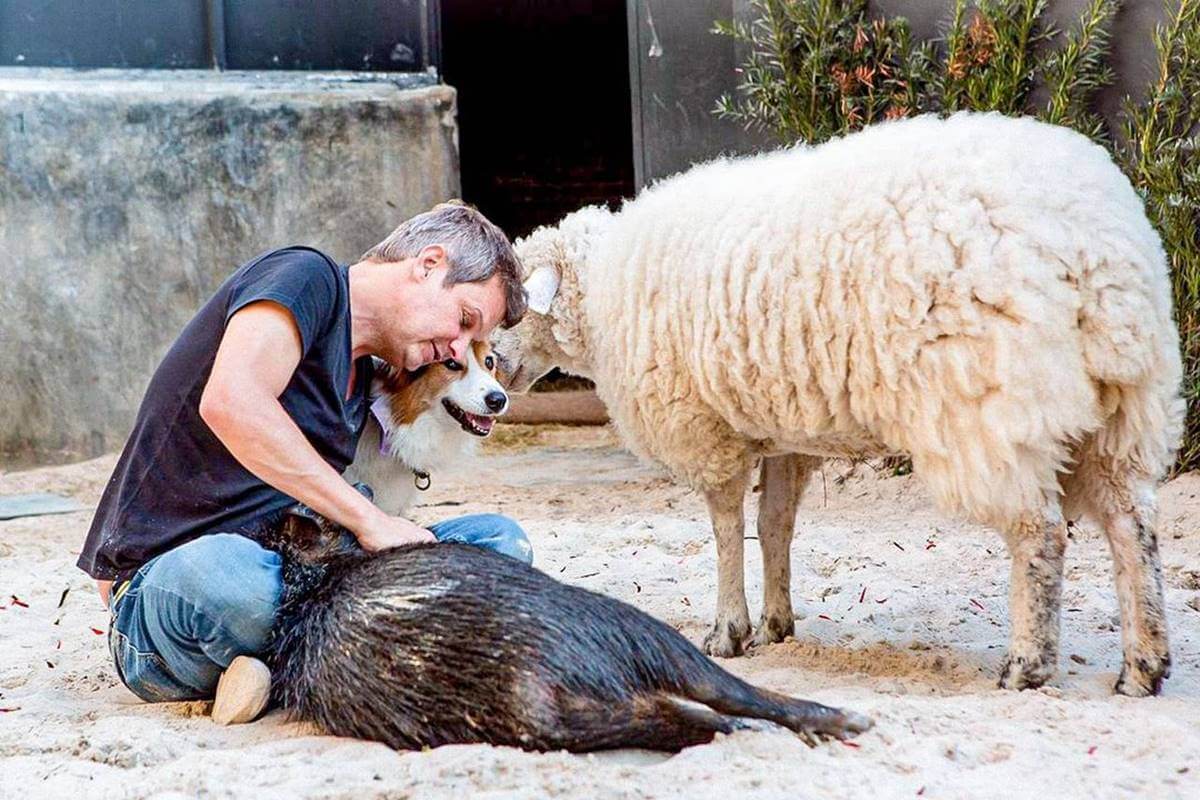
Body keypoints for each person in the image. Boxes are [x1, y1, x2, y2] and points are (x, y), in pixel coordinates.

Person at [77, 202, 530, 724]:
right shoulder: (304, 277)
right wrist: (371, 522)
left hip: (307, 576)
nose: (456, 346)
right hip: (169, 595)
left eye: (474, 343)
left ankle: (284, 671)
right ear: (429, 264)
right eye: (464, 320)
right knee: (228, 579)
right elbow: (232, 402)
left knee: (499, 546)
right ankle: (354, 659)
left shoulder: (368, 372)